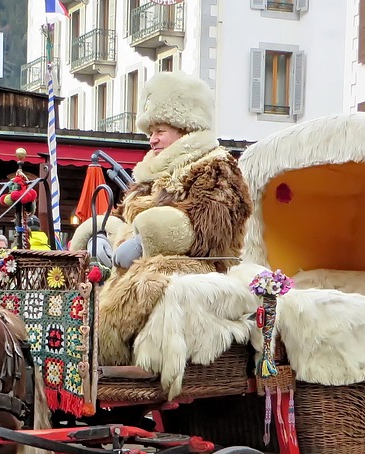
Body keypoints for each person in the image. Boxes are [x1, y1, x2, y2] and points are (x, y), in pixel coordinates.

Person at [70, 71, 253, 365]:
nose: (152, 140)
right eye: (151, 132)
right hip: (140, 263)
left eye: (160, 131)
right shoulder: (150, 172)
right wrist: (102, 237)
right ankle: (81, 349)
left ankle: (102, 358)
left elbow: (209, 229)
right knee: (82, 286)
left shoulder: (215, 166)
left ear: (185, 128)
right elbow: (123, 215)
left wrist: (146, 241)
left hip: (195, 265)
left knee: (140, 287)